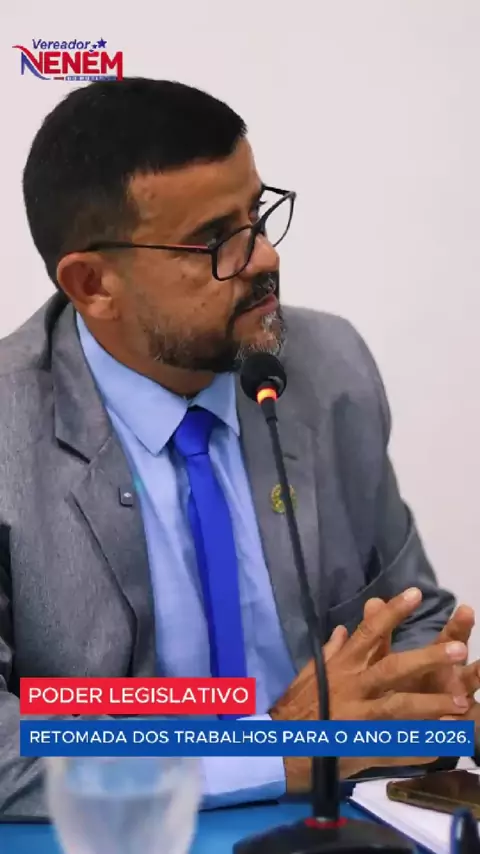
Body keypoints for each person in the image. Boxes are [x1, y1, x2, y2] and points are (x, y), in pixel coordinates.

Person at [0, 77, 478, 816]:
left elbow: (407, 612)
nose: (262, 257)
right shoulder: (11, 432)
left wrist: (422, 685)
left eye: (257, 214)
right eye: (214, 241)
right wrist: (274, 753)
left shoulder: (329, 369)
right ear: (93, 284)